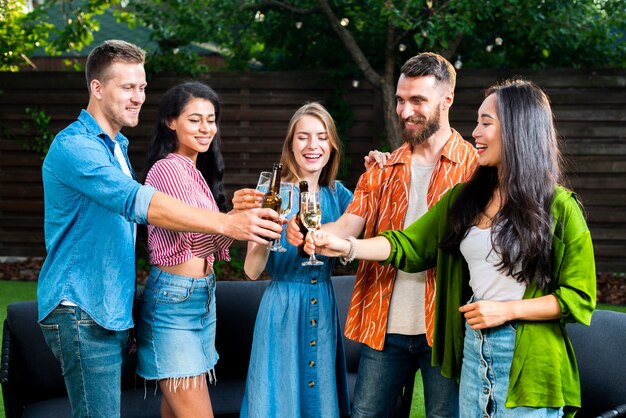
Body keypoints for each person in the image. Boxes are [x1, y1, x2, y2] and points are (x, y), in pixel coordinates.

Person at [308, 79, 596, 417]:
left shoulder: (559, 207)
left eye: (486, 123)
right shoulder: (465, 199)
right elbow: (409, 245)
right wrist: (346, 245)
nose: (475, 131)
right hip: (474, 351)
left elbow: (579, 298)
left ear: (518, 129)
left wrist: (507, 311)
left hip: (528, 359)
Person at [37, 40, 282, 418]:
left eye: (143, 87)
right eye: (127, 87)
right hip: (81, 308)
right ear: (97, 88)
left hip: (110, 309)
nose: (138, 97)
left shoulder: (116, 148)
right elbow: (141, 204)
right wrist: (229, 221)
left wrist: (233, 216)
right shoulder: (75, 147)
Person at [287, 52, 477, 417]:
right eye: (401, 100)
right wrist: (309, 232)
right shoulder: (382, 169)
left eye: (418, 100)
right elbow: (345, 227)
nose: (405, 112)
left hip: (448, 327)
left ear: (447, 100)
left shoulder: (476, 170)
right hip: (384, 326)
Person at [232, 102, 353, 417]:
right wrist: (265, 236)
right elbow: (251, 271)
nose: (313, 145)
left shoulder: (339, 195)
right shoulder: (269, 192)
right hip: (282, 309)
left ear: (332, 146)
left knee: (320, 402)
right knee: (278, 399)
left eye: (322, 137)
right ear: (290, 144)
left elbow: (361, 238)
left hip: (324, 307)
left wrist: (382, 162)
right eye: (303, 137)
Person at [134, 81, 233, 418]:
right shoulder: (167, 168)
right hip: (173, 304)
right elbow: (193, 234)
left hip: (201, 298)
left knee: (175, 413)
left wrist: (238, 218)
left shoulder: (195, 171)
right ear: (170, 122)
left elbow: (209, 243)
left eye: (211, 119)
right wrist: (235, 221)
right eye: (194, 120)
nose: (206, 128)